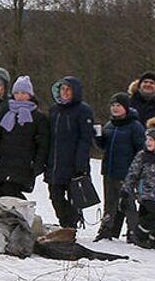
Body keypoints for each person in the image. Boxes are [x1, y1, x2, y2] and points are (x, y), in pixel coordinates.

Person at [0, 71, 45, 205]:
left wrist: (37, 165)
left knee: (13, 193)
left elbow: (42, 143)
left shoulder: (38, 117)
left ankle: (25, 213)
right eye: (17, 93)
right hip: (3, 163)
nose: (20, 96)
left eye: (23, 93)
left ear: (30, 95)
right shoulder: (6, 112)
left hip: (24, 165)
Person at [43, 76, 95, 233]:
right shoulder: (54, 110)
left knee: (75, 197)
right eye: (62, 89)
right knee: (55, 197)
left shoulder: (83, 111)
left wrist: (81, 162)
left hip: (74, 163)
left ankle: (70, 226)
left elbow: (86, 139)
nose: (65, 92)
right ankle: (66, 223)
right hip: (55, 163)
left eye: (68, 89)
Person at [95, 93, 146, 242]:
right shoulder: (109, 125)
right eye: (113, 105)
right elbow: (104, 147)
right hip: (109, 170)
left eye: (118, 105)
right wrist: (98, 137)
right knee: (109, 202)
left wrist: (137, 170)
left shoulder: (135, 126)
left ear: (126, 107)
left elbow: (141, 150)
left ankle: (133, 232)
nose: (115, 108)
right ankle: (106, 229)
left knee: (128, 203)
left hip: (126, 172)